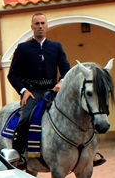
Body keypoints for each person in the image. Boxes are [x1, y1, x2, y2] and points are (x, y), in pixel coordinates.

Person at [7, 12, 70, 160]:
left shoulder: (56, 47)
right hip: (33, 92)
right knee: (24, 119)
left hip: (53, 91)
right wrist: (24, 91)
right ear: (32, 27)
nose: (40, 26)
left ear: (47, 26)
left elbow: (67, 70)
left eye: (43, 23)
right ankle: (18, 155)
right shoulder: (23, 48)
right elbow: (12, 75)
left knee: (76, 112)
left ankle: (85, 152)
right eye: (37, 24)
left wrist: (61, 82)